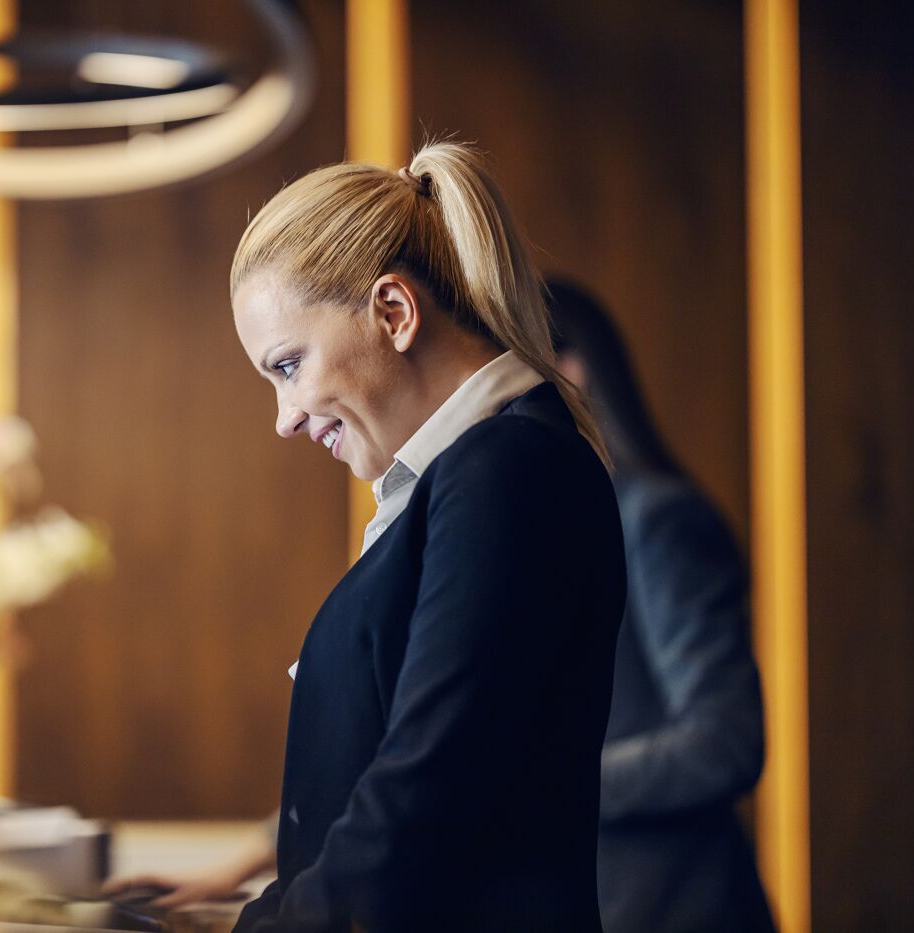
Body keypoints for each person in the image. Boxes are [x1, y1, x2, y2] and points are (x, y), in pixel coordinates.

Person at [201, 140, 626, 932]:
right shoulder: (465, 478)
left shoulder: (511, 470)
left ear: (394, 313)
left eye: (288, 365)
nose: (285, 419)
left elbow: (424, 799)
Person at [547, 280, 775, 933]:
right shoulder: (549, 530)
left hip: (674, 909)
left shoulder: (653, 519)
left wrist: (551, 784)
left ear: (572, 367)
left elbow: (724, 740)